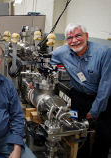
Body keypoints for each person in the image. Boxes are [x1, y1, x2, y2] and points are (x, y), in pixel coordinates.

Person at [50, 23, 111, 158]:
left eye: (78, 35)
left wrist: (94, 111)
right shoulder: (63, 52)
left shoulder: (103, 52)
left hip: (102, 98)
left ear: (86, 36)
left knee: (103, 136)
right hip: (78, 97)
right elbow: (46, 60)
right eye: (70, 37)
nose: (74, 40)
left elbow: (106, 84)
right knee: (77, 130)